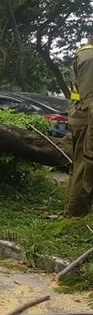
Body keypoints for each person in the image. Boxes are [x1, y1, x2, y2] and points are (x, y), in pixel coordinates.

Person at [67, 35, 93, 217]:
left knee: (80, 165)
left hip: (81, 116)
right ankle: (77, 213)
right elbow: (90, 98)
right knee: (85, 165)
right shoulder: (90, 57)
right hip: (86, 118)